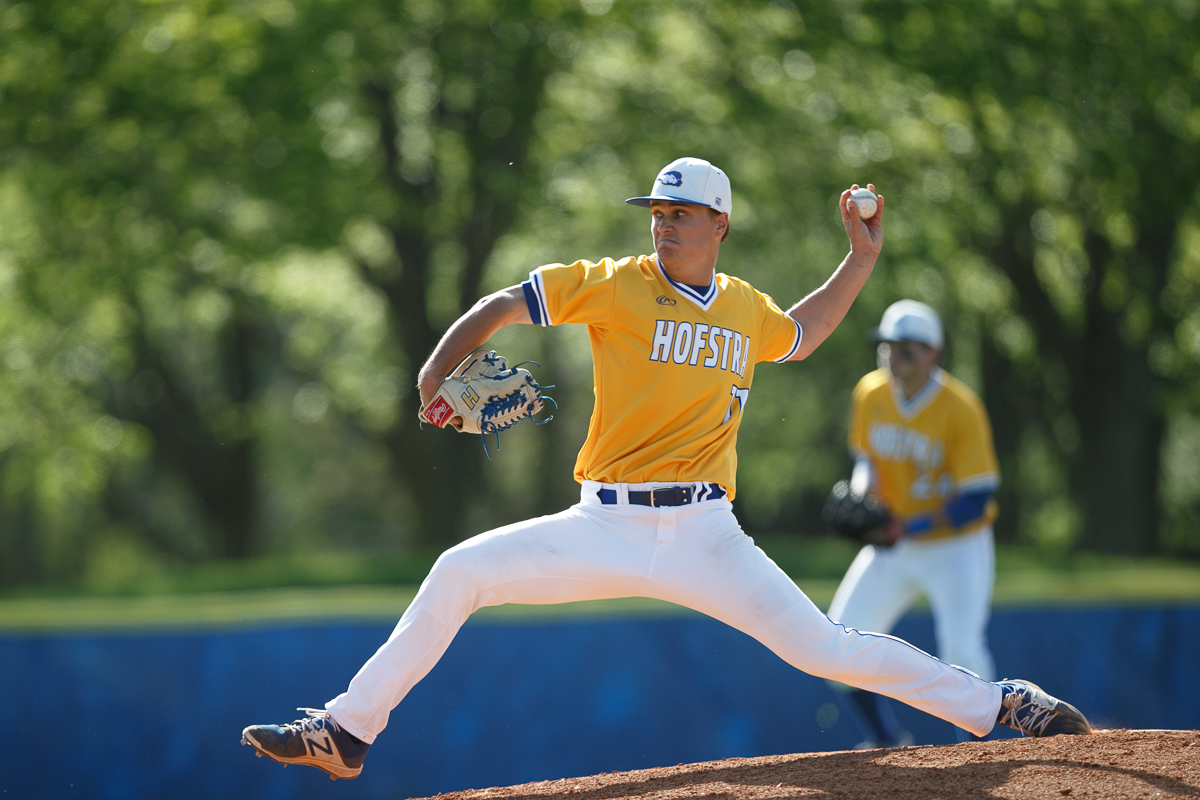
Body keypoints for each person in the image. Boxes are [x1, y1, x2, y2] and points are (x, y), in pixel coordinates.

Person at [240, 157, 1089, 781]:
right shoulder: (615, 285)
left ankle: (1001, 703)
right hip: (602, 523)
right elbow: (504, 303)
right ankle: (348, 731)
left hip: (705, 533)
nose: (664, 223)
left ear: (719, 226)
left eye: (682, 213)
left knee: (825, 648)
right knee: (458, 570)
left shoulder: (744, 308)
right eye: (657, 210)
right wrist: (433, 374)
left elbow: (802, 332)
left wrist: (861, 261)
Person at [826, 299, 1000, 748]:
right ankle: (886, 738)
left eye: (905, 348)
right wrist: (862, 491)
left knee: (963, 653)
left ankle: (978, 754)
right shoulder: (870, 392)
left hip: (956, 547)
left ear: (932, 354)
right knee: (834, 643)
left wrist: (910, 527)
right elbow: (867, 459)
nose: (892, 355)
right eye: (886, 345)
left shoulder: (960, 407)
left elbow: (977, 500)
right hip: (893, 543)